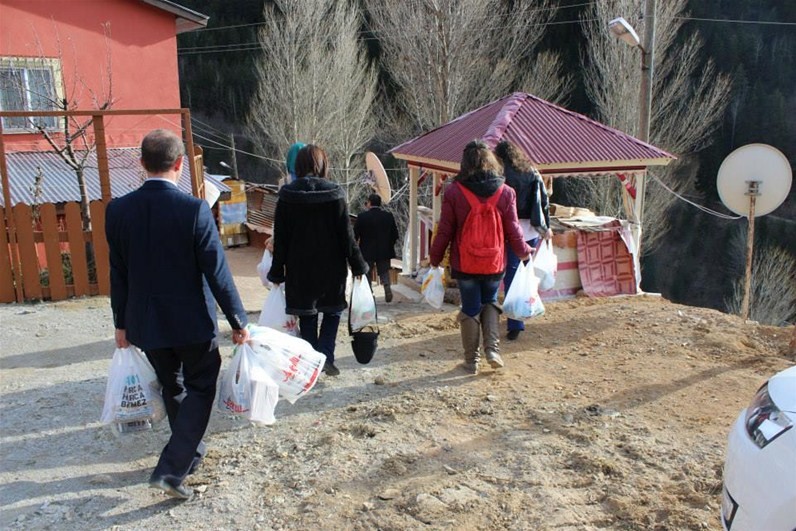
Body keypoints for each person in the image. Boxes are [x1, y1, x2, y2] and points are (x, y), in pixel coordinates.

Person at [105, 129, 250, 500]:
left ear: (141, 164)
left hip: (146, 322)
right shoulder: (194, 210)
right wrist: (238, 320)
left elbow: (117, 273)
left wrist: (121, 323)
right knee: (200, 387)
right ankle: (171, 470)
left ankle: (190, 454)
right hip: (191, 323)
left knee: (175, 387)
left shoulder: (117, 210)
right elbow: (216, 271)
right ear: (180, 164)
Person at [429, 140, 531, 374]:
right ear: (491, 161)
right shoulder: (506, 192)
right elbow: (514, 230)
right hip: (494, 263)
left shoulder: (454, 192)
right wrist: (524, 251)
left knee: (470, 307)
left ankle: (471, 360)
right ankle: (492, 350)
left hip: (465, 263)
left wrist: (434, 259)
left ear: (464, 164)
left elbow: (445, 230)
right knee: (491, 302)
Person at [267, 144, 368, 376]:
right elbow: (347, 237)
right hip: (332, 269)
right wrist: (358, 265)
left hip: (299, 270)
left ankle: (311, 362)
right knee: (332, 313)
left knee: (307, 316)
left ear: (299, 167)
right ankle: (325, 355)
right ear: (324, 166)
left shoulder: (287, 197)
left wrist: (276, 273)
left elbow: (281, 240)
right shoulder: (335, 194)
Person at [494, 141, 552, 341]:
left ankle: (514, 320)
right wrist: (547, 227)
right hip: (532, 230)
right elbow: (543, 201)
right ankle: (523, 311)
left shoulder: (500, 176)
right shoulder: (532, 171)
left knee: (510, 274)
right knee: (526, 272)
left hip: (509, 230)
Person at [354, 193, 399, 302]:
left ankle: (369, 292)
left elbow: (355, 235)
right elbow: (395, 235)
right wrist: (389, 245)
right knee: (384, 271)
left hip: (366, 250)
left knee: (367, 272)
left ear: (369, 203)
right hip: (384, 250)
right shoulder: (388, 216)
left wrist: (355, 248)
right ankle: (387, 286)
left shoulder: (362, 217)